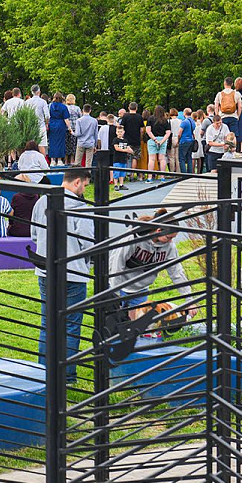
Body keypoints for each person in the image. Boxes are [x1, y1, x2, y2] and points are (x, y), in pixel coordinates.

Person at [30, 168, 94, 376]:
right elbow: (88, 242)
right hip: (74, 273)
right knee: (71, 324)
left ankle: (43, 372)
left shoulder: (41, 202)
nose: (85, 189)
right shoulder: (80, 207)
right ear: (77, 182)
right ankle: (67, 374)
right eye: (85, 185)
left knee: (47, 322)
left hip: (46, 270)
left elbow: (34, 234)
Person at [109, 209, 192, 325]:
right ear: (158, 230)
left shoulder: (169, 247)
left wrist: (189, 300)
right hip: (121, 285)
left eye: (173, 238)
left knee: (137, 327)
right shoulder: (134, 239)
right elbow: (117, 265)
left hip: (141, 289)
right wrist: (115, 293)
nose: (170, 241)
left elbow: (176, 272)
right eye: (168, 237)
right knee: (118, 326)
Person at [119, 103, 144, 182]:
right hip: (136, 140)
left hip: (126, 140)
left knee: (126, 157)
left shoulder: (125, 116)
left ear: (128, 108)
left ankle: (125, 174)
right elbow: (142, 129)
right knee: (135, 158)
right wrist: (140, 136)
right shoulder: (139, 117)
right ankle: (132, 175)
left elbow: (122, 127)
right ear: (136, 108)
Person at [145, 106, 171, 172]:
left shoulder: (150, 119)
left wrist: (154, 139)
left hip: (152, 140)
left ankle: (149, 177)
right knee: (162, 159)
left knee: (151, 159)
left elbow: (148, 130)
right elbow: (168, 132)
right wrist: (162, 141)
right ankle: (162, 176)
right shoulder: (165, 120)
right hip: (163, 139)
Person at [47, 94, 70, 166]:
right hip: (61, 125)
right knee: (60, 142)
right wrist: (69, 127)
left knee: (52, 142)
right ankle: (59, 160)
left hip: (52, 124)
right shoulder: (63, 107)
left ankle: (52, 160)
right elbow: (66, 119)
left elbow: (47, 117)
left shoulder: (49, 106)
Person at [176, 108, 196, 174]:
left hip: (184, 141)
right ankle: (190, 173)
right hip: (190, 140)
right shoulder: (193, 122)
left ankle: (184, 174)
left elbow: (179, 133)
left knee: (182, 159)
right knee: (189, 157)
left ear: (184, 113)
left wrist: (178, 141)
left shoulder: (184, 122)